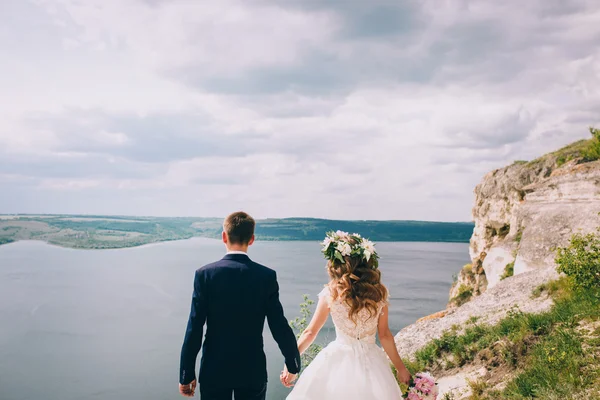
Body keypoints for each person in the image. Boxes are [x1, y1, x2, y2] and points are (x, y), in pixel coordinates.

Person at [179, 211, 301, 400]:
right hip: (252, 370)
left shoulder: (205, 275)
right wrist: (293, 364)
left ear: (223, 237)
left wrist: (186, 373)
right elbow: (279, 325)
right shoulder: (266, 276)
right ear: (252, 239)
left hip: (214, 370)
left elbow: (194, 328)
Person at [282, 231, 412, 399]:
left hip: (338, 361)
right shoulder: (379, 293)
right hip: (372, 364)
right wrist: (401, 369)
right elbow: (385, 335)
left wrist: (291, 363)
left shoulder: (331, 292)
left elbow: (310, 332)